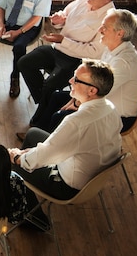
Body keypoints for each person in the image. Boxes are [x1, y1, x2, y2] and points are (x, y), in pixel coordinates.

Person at [9, 59, 122, 201]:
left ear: (92, 90)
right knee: (33, 134)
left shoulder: (76, 122)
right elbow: (52, 150)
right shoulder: (110, 108)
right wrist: (30, 154)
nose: (70, 81)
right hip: (92, 174)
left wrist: (18, 157)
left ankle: (33, 216)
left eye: (76, 79)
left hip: (69, 186)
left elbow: (48, 154)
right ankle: (25, 189)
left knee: (8, 163)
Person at [18, 0, 120, 126]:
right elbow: (64, 15)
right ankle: (45, 102)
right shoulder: (84, 0)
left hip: (78, 60)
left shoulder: (110, 19)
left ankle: (38, 123)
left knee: (50, 85)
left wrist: (63, 40)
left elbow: (93, 52)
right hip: (58, 47)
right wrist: (57, 20)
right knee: (25, 63)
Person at [30, 8, 137, 134]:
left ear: (120, 33)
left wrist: (77, 104)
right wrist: (74, 99)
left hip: (117, 115)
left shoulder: (124, 63)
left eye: (105, 27)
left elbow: (101, 92)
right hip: (102, 100)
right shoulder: (112, 47)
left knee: (61, 116)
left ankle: (48, 145)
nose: (100, 30)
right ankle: (38, 133)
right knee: (56, 97)